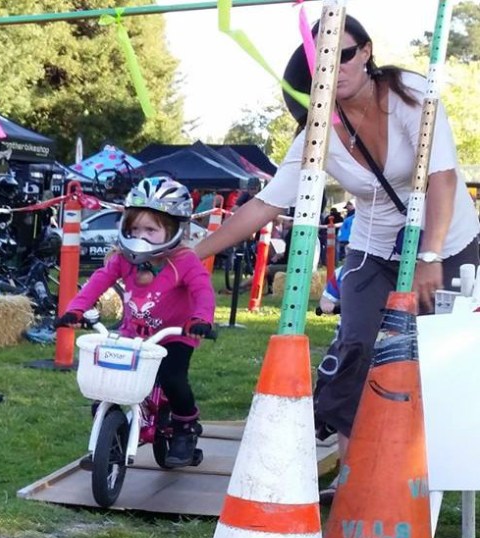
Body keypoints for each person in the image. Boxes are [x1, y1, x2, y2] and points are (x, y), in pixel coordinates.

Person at [192, 14, 480, 496]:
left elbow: (442, 177)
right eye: (320, 59)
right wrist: (191, 254)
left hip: (444, 242)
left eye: (343, 54)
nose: (335, 66)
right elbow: (266, 204)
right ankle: (356, 484)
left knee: (434, 357)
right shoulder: (316, 132)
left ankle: (430, 472)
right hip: (373, 248)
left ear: (365, 52)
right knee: (357, 349)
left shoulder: (410, 94)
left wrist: (431, 255)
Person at [56, 177, 216, 467]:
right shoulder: (123, 260)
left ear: (173, 229)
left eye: (151, 229)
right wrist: (77, 309)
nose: (140, 235)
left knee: (172, 377)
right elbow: (97, 282)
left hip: (175, 334)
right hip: (134, 331)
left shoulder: (184, 261)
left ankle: (185, 427)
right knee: (108, 380)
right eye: (135, 228)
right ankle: (110, 440)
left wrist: (201, 319)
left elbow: (203, 291)